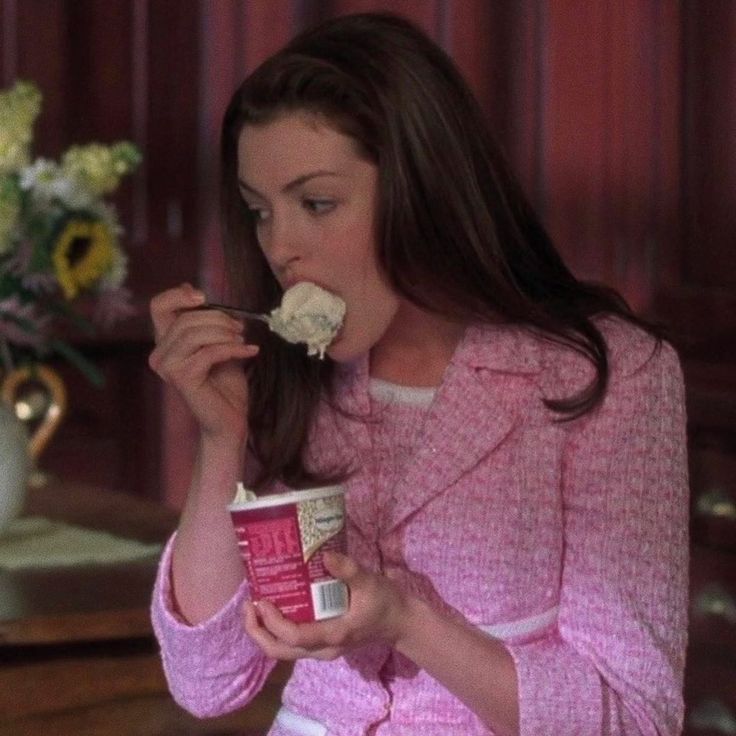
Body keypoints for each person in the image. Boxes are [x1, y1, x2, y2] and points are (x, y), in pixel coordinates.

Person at [148, 11, 689, 736]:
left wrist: (407, 621)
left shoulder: (614, 375)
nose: (281, 246)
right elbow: (205, 683)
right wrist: (221, 440)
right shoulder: (286, 375)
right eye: (259, 211)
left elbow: (635, 720)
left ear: (422, 187)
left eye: (317, 203)